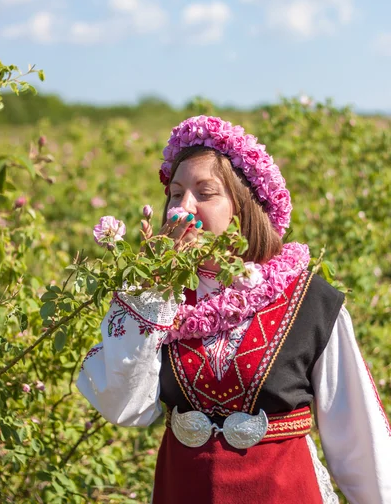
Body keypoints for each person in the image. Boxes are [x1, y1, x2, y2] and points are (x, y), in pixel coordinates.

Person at [77, 115, 391, 504]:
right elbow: (124, 407)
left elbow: (358, 438)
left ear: (243, 206)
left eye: (204, 193)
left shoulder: (310, 300)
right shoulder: (157, 301)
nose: (183, 209)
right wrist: (153, 289)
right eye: (175, 194)